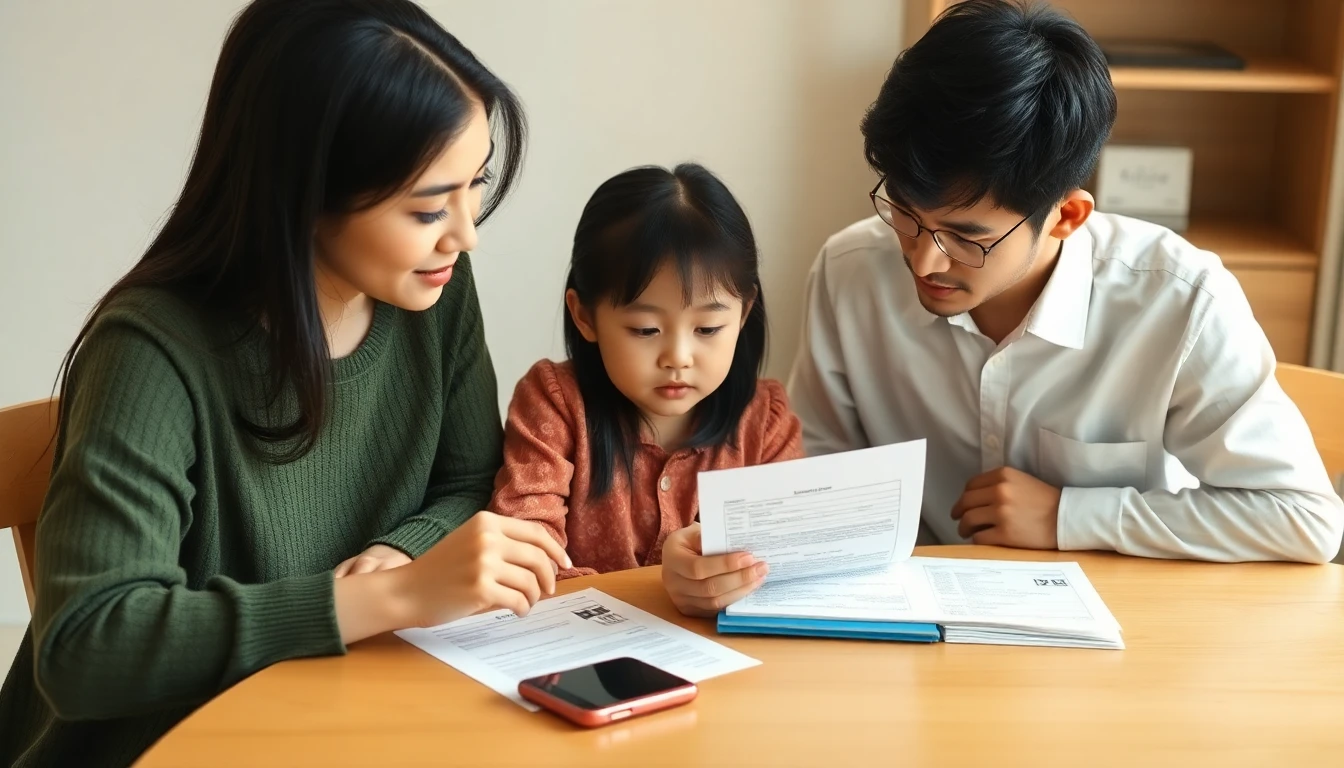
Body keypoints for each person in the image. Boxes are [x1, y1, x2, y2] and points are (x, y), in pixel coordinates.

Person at [0, 1, 569, 765]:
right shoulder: (151, 351)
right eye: (430, 205)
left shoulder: (430, 289)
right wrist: (386, 599)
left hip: (334, 723)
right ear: (303, 194)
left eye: (477, 184)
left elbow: (469, 478)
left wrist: (402, 555)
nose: (465, 233)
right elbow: (87, 648)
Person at [784, 0, 1344, 565]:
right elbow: (817, 472)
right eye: (904, 212)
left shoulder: (1179, 301)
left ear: (1067, 217)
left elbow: (1304, 518)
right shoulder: (849, 271)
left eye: (965, 237)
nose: (924, 261)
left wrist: (1069, 516)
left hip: (1123, 622)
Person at [489, 163, 803, 615]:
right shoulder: (554, 402)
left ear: (744, 312)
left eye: (709, 327)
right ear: (585, 317)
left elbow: (789, 564)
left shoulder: (765, 420)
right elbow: (524, 558)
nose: (678, 356)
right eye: (645, 329)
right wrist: (658, 587)